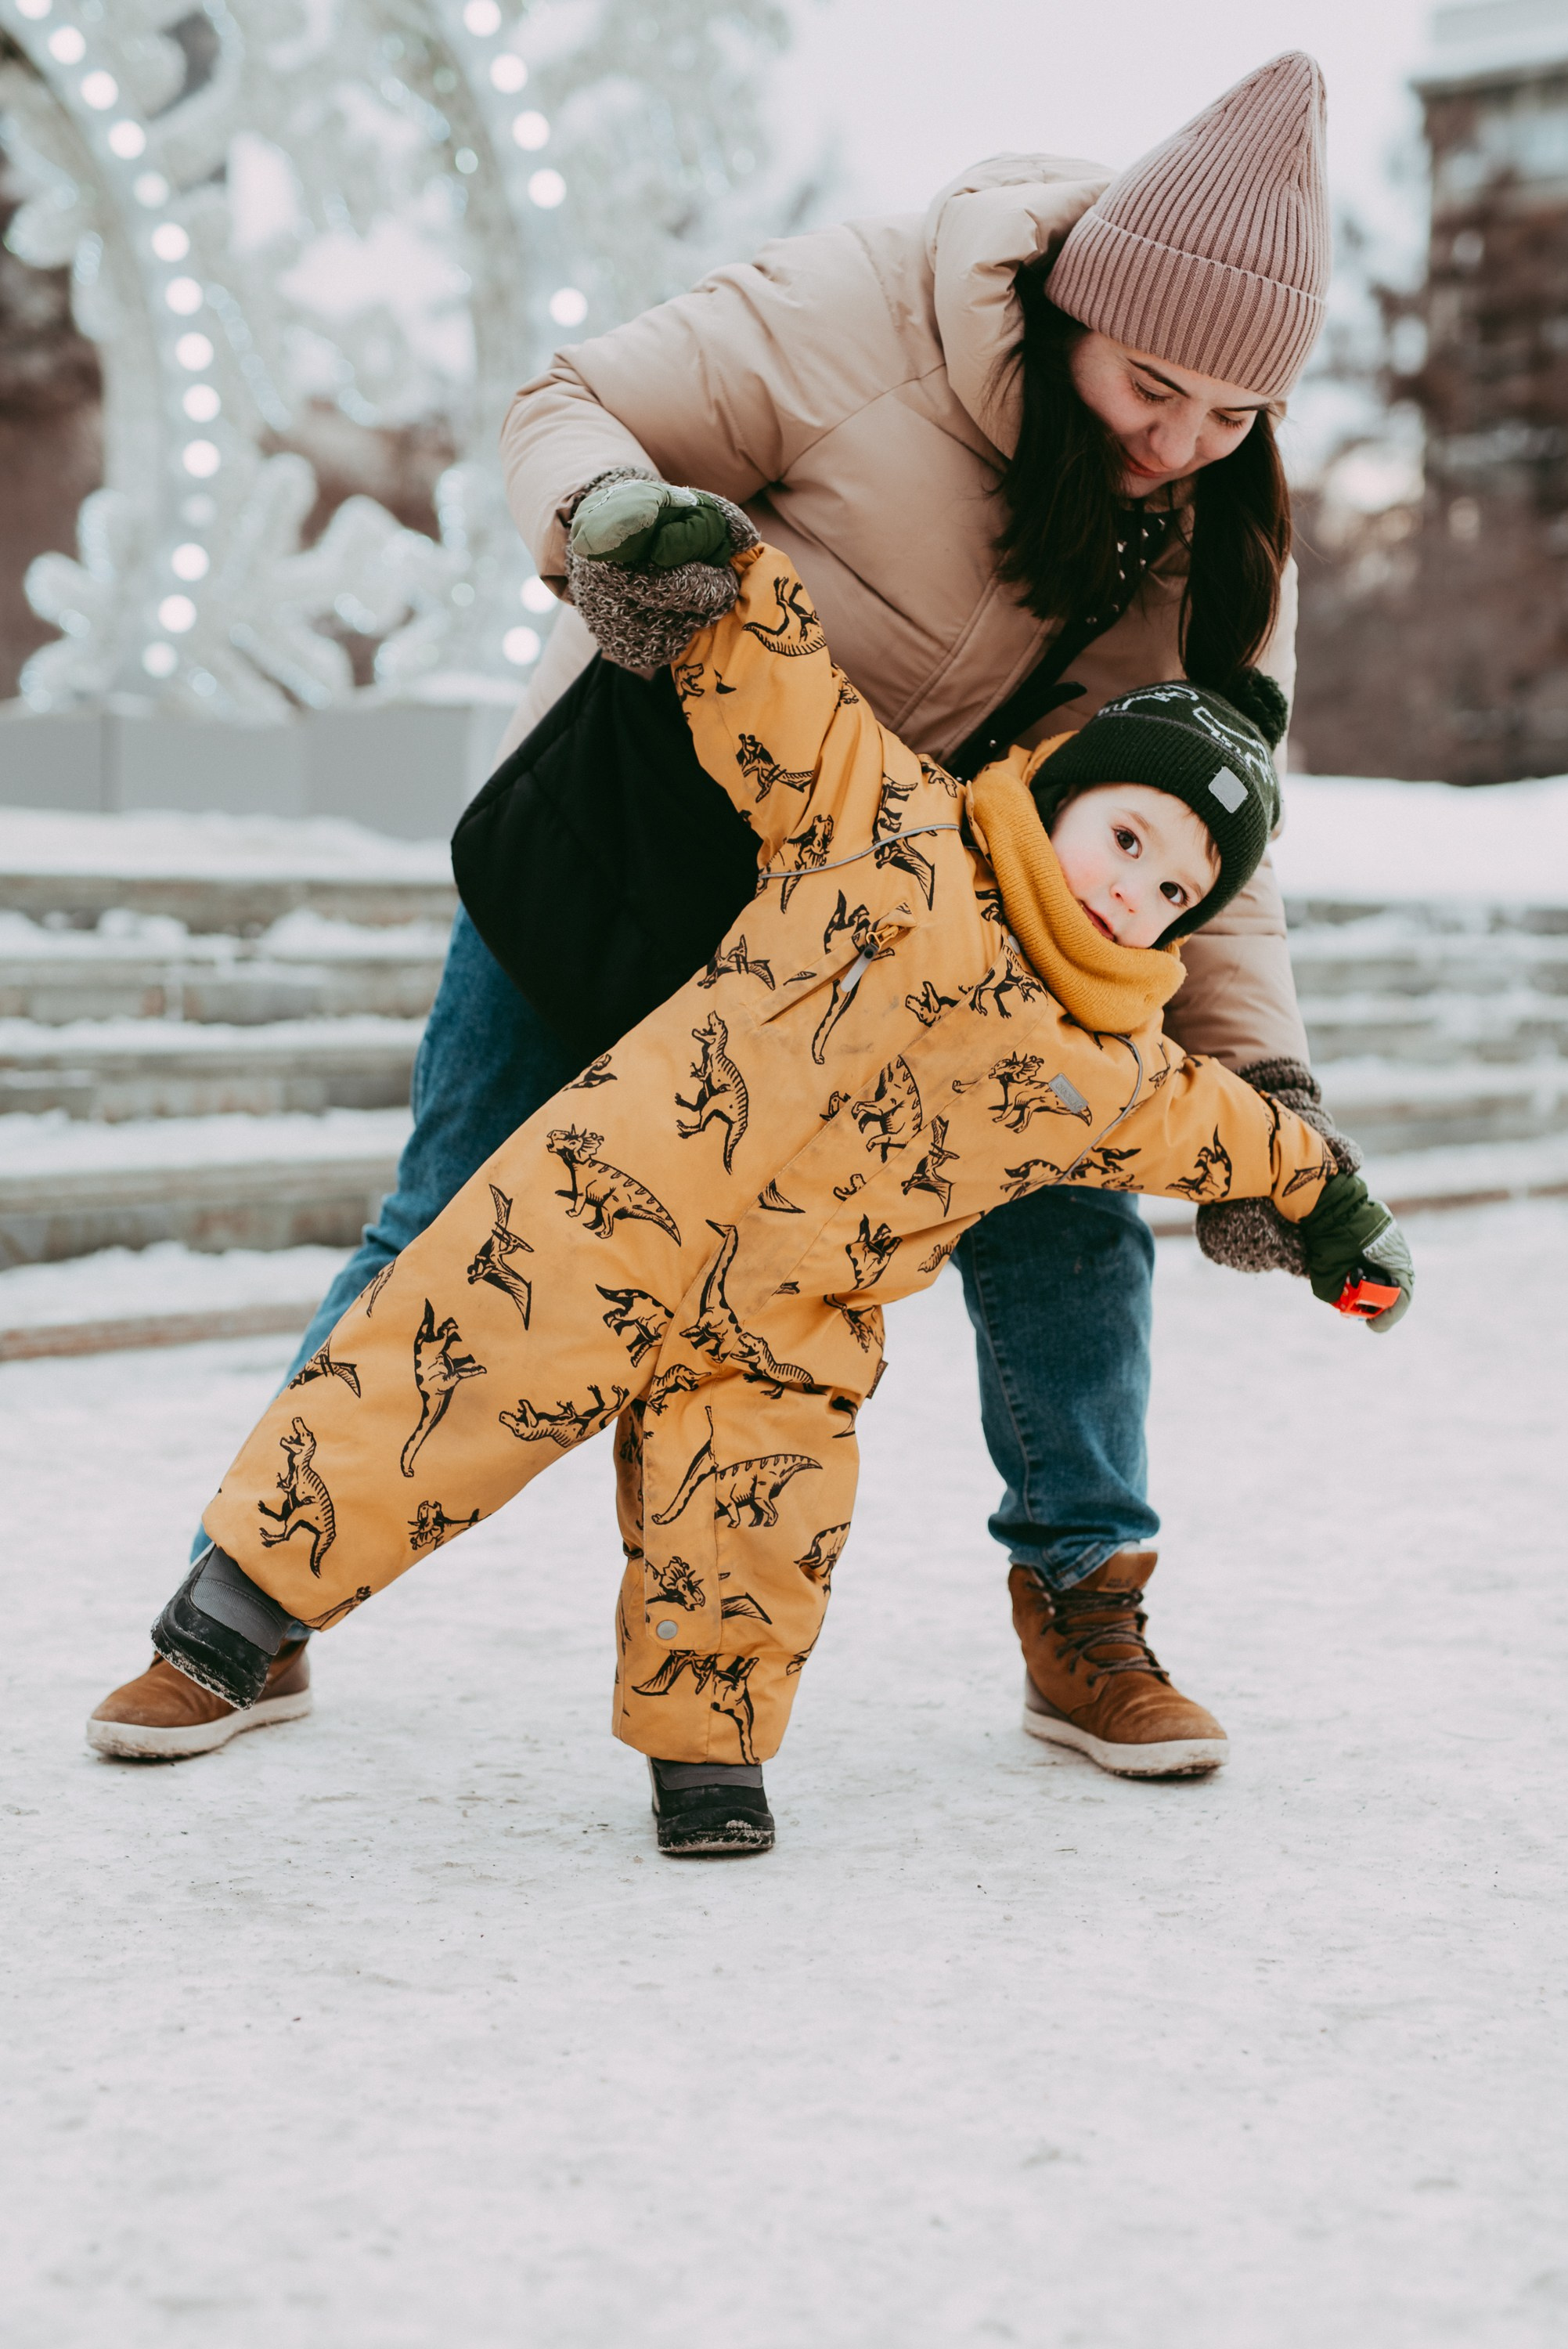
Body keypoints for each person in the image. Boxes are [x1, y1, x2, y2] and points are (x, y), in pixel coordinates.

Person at [89, 51, 1343, 1778]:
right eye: (1155, 387)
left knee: (1065, 1230)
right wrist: (614, 525)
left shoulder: (1219, 530)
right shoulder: (867, 317)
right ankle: (249, 1602)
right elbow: (570, 401)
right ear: (1074, 309)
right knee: (454, 1215)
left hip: (949, 963)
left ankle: (1086, 1606)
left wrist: (1259, 1080)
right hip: (640, 842)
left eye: (1232, 414)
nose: (1181, 443)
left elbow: (1225, 821)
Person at [98, 493, 1414, 1860]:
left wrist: (1336, 1215)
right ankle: (226, 1627)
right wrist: (707, 571)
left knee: (753, 1525)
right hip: (596, 1212)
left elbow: (1237, 1134)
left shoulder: (1110, 1066)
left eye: (1175, 893)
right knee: (422, 1384)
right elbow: (786, 696)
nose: (1132, 893)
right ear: (1068, 790)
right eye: (1129, 841)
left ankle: (707, 1759)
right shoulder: (890, 824)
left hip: (789, 1326)